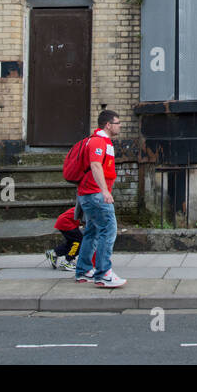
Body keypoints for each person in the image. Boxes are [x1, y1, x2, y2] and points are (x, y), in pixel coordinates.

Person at [74, 110, 126, 288]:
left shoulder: (104, 141)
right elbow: (95, 165)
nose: (120, 126)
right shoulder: (98, 141)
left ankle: (84, 271)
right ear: (108, 125)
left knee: (92, 232)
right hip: (96, 195)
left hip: (90, 194)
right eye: (117, 123)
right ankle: (103, 274)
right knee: (109, 230)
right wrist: (105, 191)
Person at [45, 205, 83, 271]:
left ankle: (55, 252)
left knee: (72, 243)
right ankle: (67, 261)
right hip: (66, 222)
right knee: (79, 242)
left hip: (64, 221)